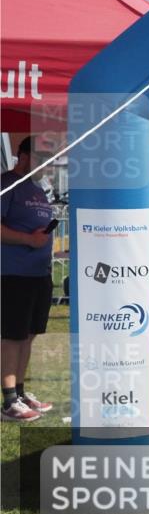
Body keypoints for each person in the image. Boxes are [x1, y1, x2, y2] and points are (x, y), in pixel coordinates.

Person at [0, 137, 55, 422]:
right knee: (12, 336)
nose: (48, 163)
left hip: (39, 273)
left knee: (29, 335)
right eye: (43, 156)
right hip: (12, 273)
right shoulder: (7, 183)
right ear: (23, 155)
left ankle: (19, 393)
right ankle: (9, 401)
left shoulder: (38, 190)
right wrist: (27, 239)